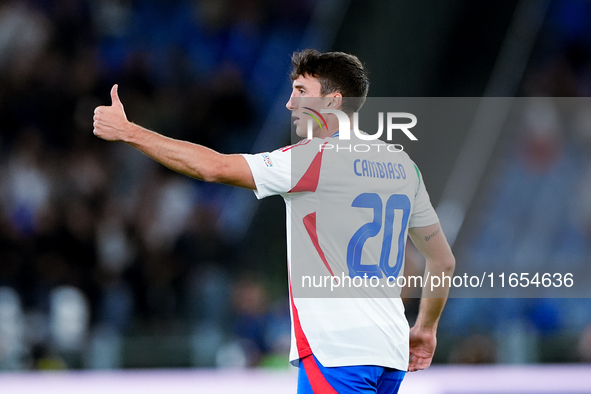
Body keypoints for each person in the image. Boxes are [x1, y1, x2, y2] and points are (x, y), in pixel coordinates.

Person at [93, 49, 455, 393]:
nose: (290, 103)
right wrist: (425, 328)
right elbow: (442, 260)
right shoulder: (403, 166)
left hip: (338, 350)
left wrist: (129, 132)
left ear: (333, 100)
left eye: (301, 91)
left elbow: (213, 167)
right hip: (389, 349)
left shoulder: (312, 160)